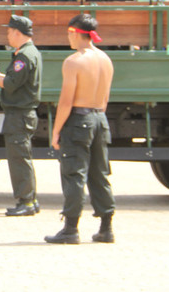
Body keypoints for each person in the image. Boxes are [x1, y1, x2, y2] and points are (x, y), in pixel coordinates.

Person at [45, 14, 116, 244]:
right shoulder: (105, 59)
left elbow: (66, 101)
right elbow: (105, 99)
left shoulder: (74, 61)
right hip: (99, 118)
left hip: (79, 120)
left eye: (69, 33)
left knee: (74, 174)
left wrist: (56, 130)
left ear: (75, 33)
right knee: (99, 174)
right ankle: (106, 228)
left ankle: (70, 229)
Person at [0, 15, 42, 216]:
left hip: (19, 115)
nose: (7, 35)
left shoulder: (24, 57)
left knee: (19, 159)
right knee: (23, 157)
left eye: (9, 31)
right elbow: (16, 81)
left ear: (18, 33)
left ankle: (26, 202)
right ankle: (31, 200)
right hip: (22, 114)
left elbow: (11, 85)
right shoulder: (30, 53)